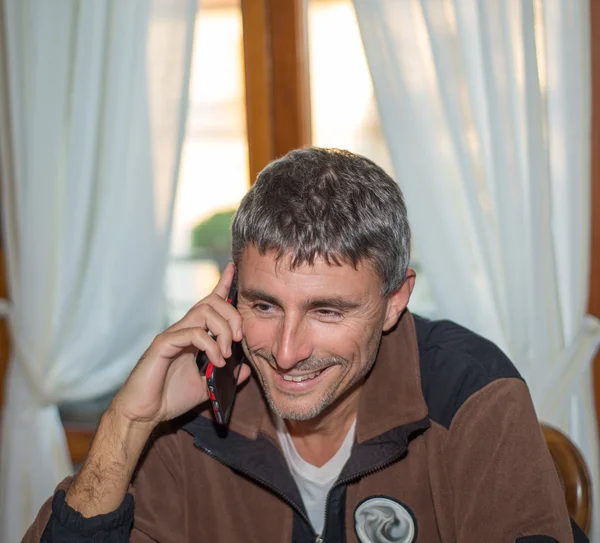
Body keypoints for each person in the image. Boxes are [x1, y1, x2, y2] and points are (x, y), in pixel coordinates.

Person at [25, 148, 585, 543]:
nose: (286, 352)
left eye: (327, 311)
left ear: (395, 300)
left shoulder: (468, 392)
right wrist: (129, 421)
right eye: (263, 305)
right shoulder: (193, 404)